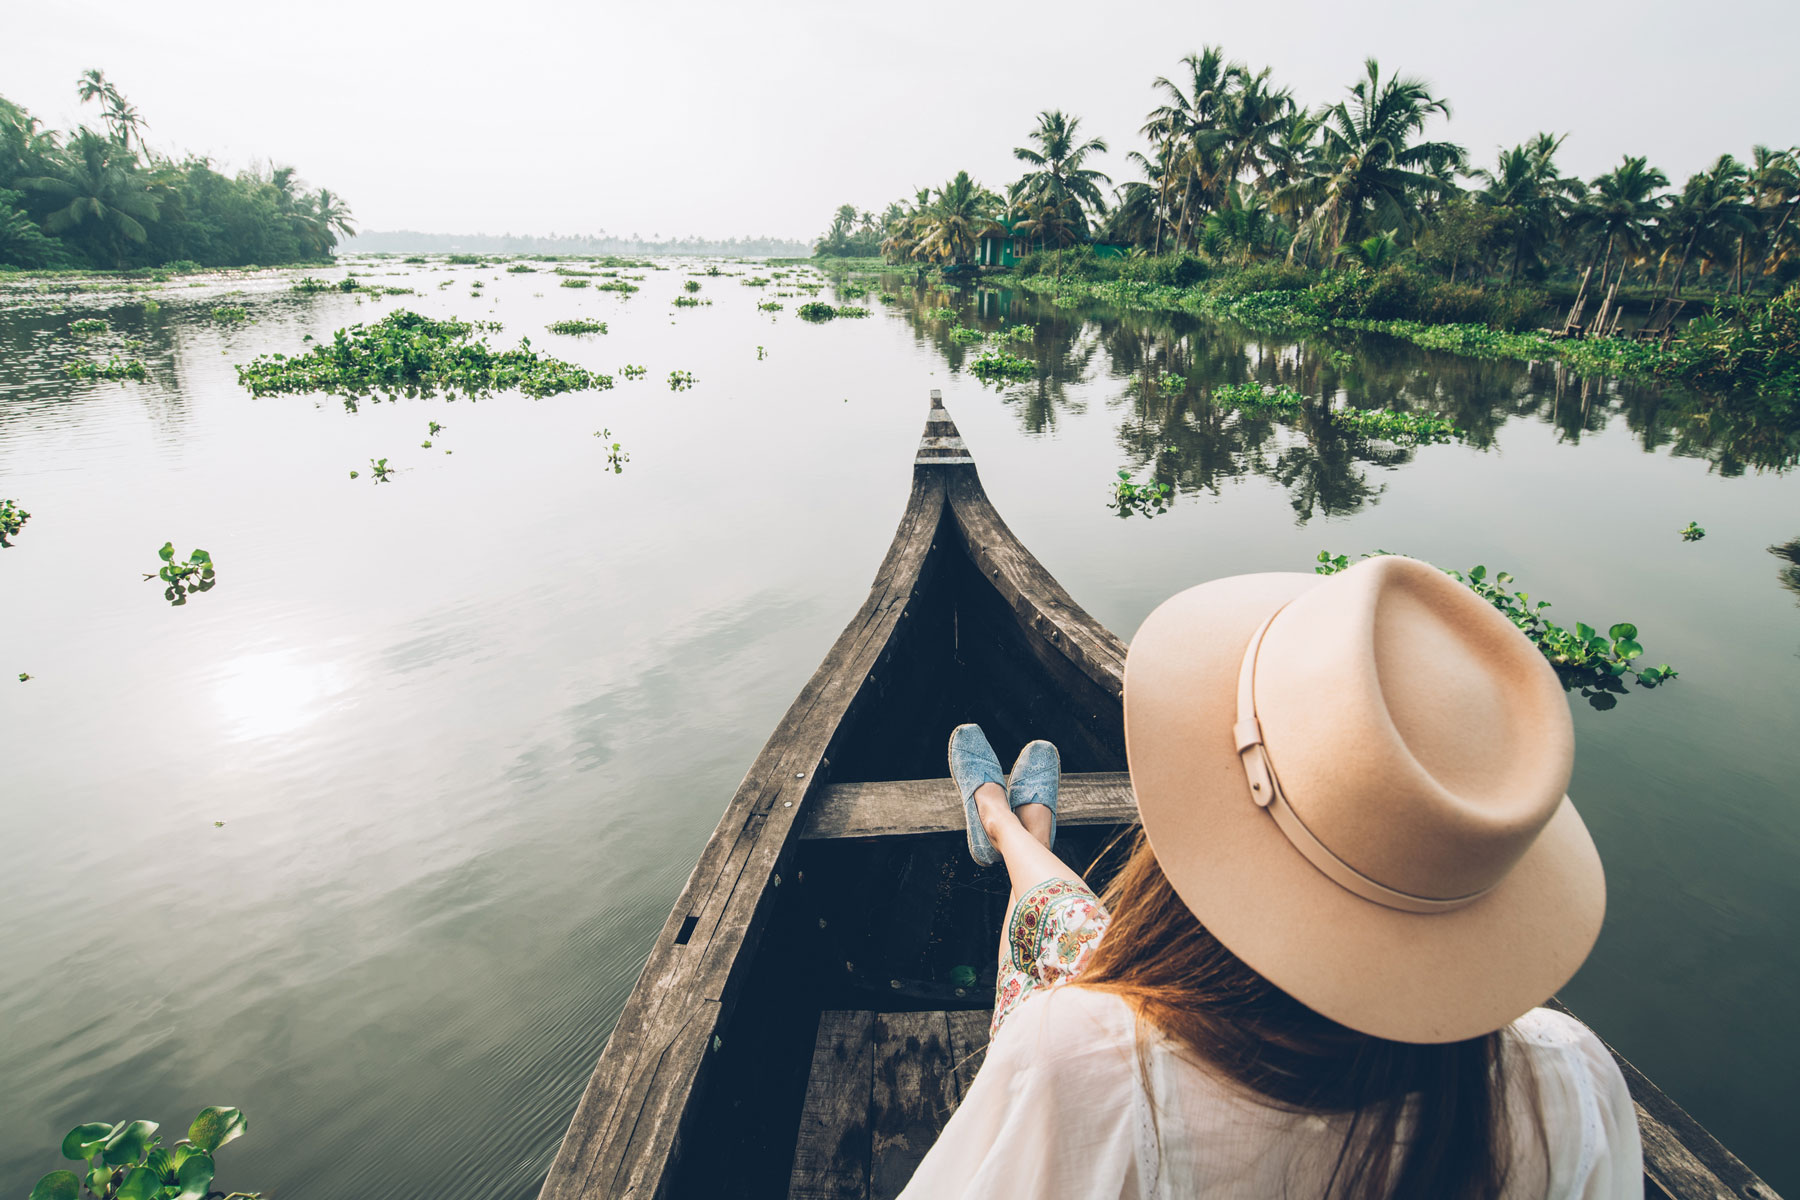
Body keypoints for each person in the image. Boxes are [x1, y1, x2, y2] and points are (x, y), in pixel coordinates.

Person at [902, 555, 1643, 1200]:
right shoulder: (1571, 1085)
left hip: (1082, 1036)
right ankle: (1017, 828)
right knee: (1065, 932)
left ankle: (1005, 826)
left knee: (1058, 947)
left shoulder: (1078, 1063)